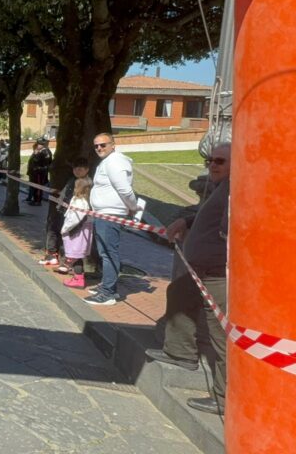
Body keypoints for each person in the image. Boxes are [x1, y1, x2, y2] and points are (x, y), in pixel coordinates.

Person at [145, 143, 231, 415]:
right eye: (209, 161)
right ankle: (180, 353)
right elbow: (207, 214)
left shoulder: (237, 189)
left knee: (221, 335)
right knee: (178, 294)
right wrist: (187, 222)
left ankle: (225, 397)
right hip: (200, 270)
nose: (212, 165)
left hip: (219, 273)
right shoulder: (221, 188)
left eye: (219, 160)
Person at [85, 132, 138, 306]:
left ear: (113, 145)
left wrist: (133, 207)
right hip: (104, 213)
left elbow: (124, 189)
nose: (99, 148)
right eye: (96, 146)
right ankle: (106, 286)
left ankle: (108, 292)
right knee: (105, 252)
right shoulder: (108, 161)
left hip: (110, 214)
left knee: (108, 253)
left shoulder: (114, 161)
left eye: (103, 145)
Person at [40, 156, 91, 267]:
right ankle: (52, 254)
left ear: (87, 169)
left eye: (80, 169)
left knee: (69, 237)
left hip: (74, 215)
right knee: (53, 229)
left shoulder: (86, 183)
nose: (77, 171)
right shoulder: (72, 180)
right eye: (75, 168)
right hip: (62, 210)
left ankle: (67, 262)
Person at [60, 176, 94, 289]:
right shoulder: (88, 201)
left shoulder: (80, 202)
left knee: (75, 256)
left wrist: (65, 228)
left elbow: (74, 219)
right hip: (82, 232)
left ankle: (78, 280)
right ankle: (78, 277)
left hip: (76, 233)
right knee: (77, 256)